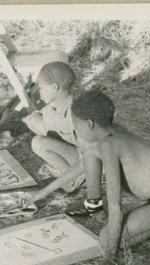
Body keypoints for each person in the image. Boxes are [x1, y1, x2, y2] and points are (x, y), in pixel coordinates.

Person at [31, 90, 150, 258]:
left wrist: (110, 249)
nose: (75, 129)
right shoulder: (106, 135)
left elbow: (115, 205)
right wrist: (44, 192)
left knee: (106, 239)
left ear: (89, 124)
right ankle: (98, 210)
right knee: (89, 155)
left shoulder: (109, 145)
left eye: (76, 125)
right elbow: (81, 165)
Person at [21, 62, 101, 208]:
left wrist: (46, 190)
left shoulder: (76, 113)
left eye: (41, 87)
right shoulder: (53, 105)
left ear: (54, 87)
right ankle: (70, 177)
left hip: (91, 161)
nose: (39, 92)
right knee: (37, 135)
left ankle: (73, 180)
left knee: (39, 141)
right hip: (78, 152)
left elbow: (92, 155)